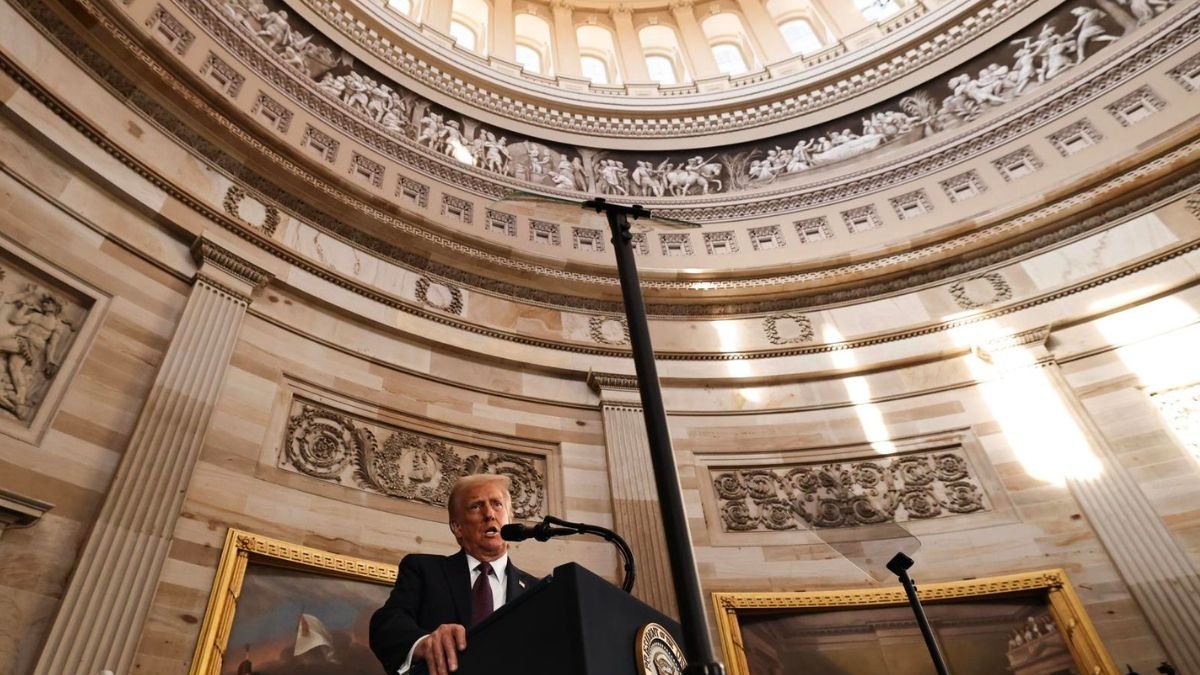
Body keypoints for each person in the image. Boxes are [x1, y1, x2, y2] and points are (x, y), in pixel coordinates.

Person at [370, 475, 539, 675]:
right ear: (457, 527)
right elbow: (386, 624)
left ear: (510, 518)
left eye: (497, 504)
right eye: (476, 506)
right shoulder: (425, 571)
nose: (489, 514)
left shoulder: (537, 591)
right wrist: (425, 643)